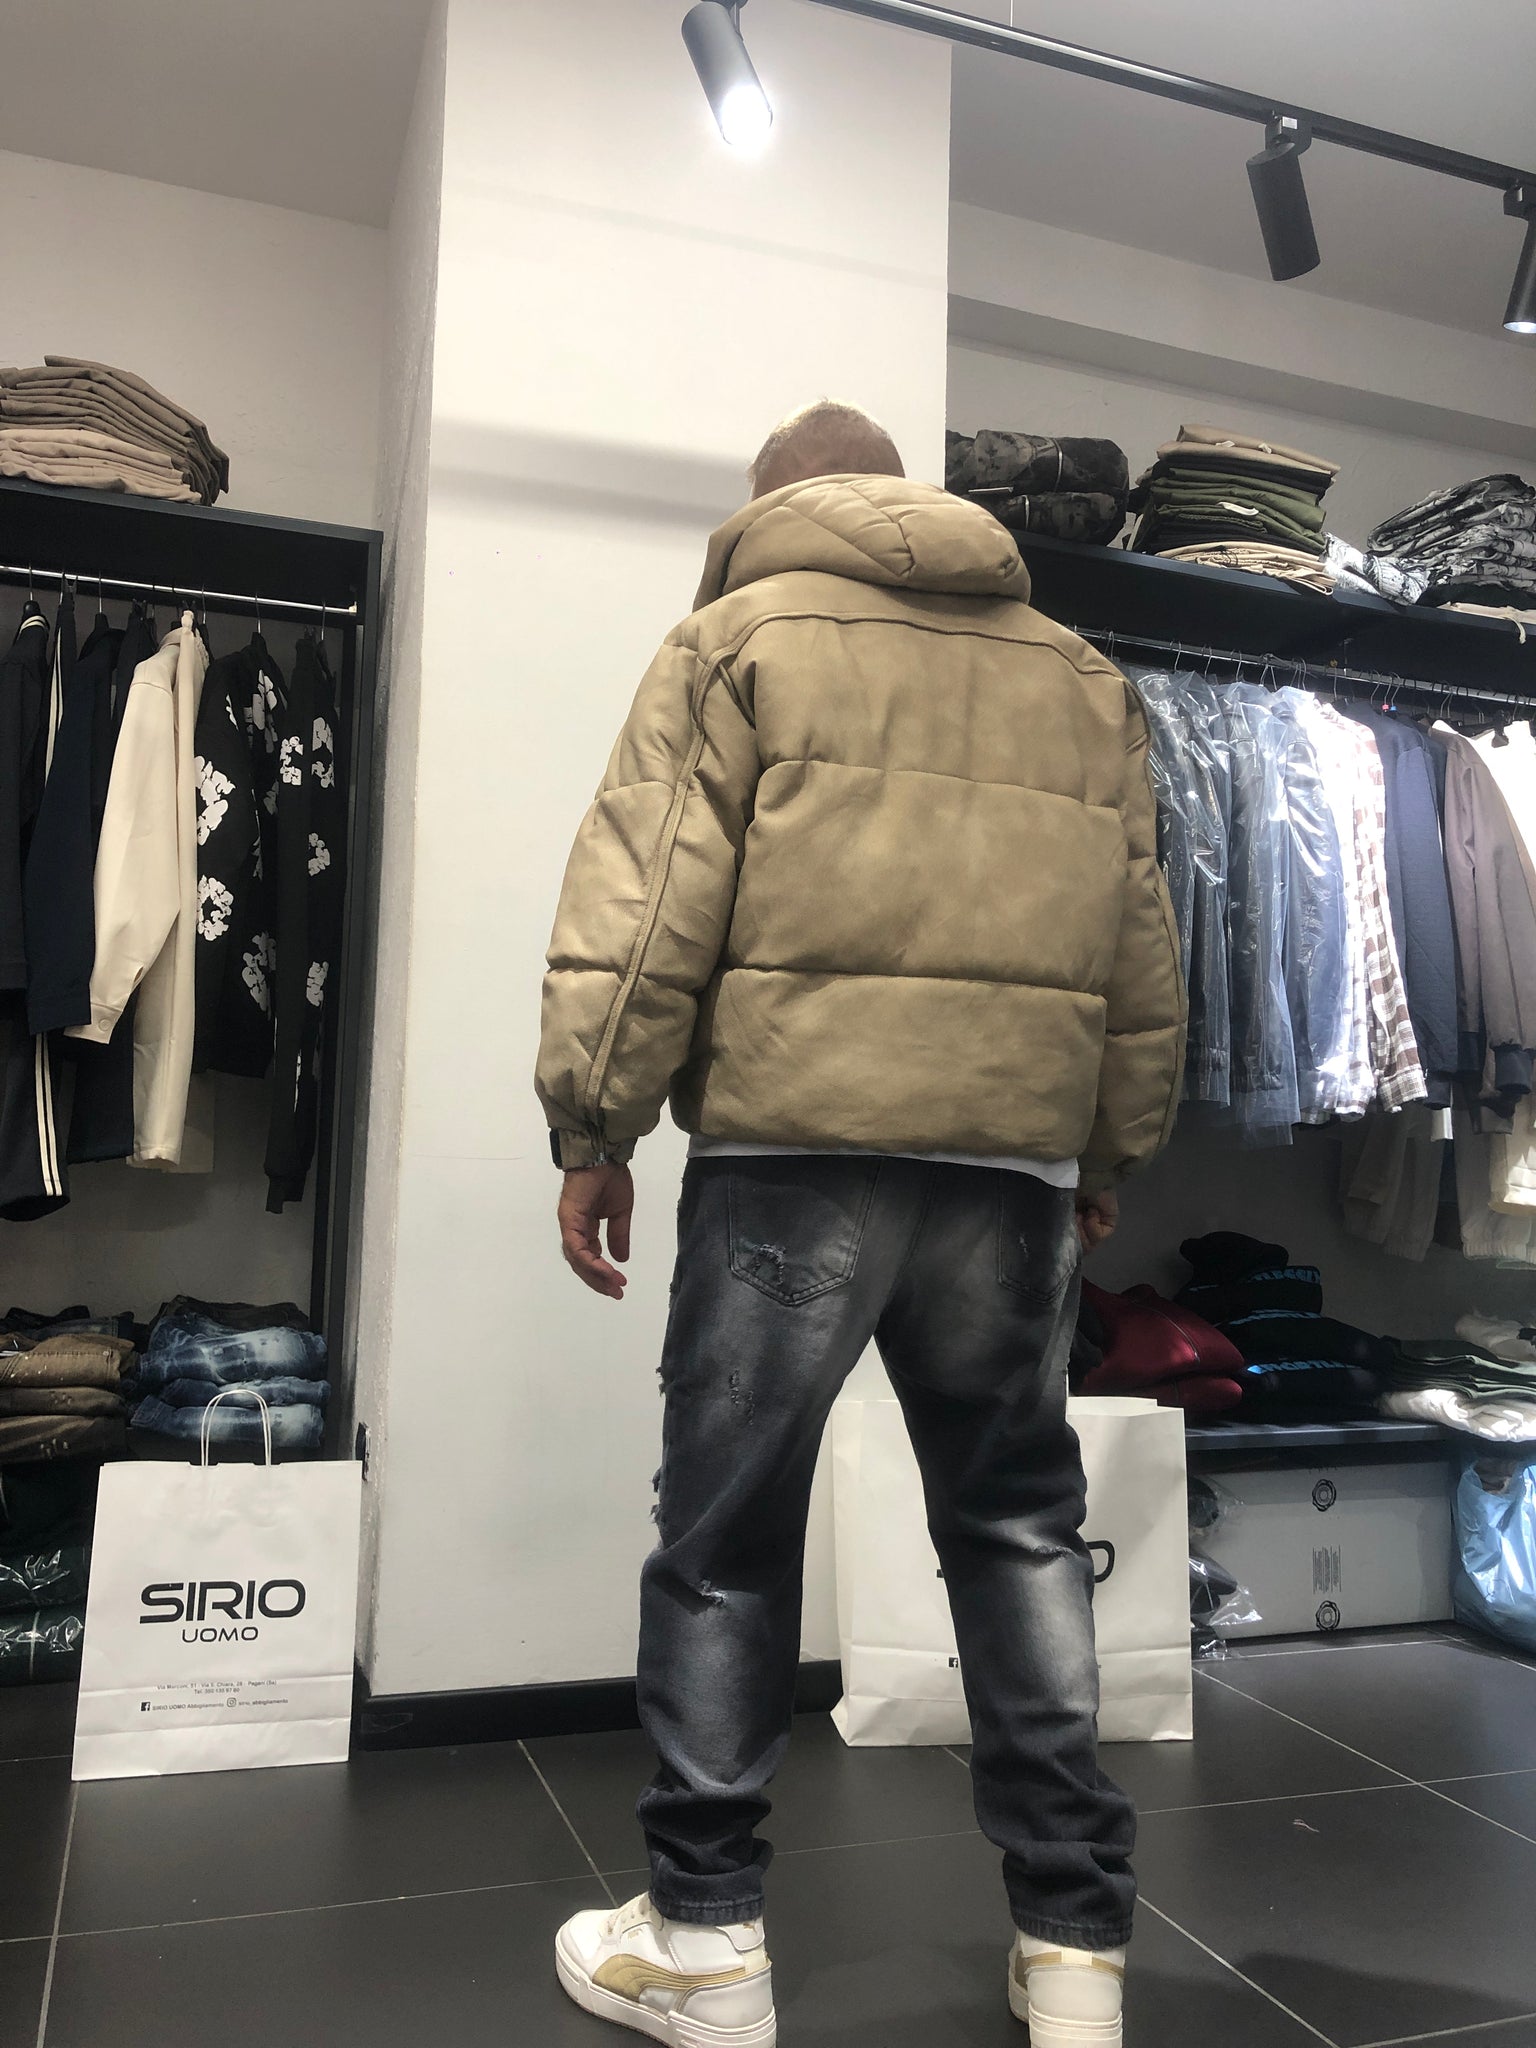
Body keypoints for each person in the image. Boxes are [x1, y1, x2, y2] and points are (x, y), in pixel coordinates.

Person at [538, 400, 1185, 2048]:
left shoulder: (738, 637)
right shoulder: (1080, 674)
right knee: (1019, 1529)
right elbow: (1139, 940)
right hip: (1012, 1166)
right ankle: (1074, 1955)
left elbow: (646, 898)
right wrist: (1108, 1143)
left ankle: (706, 1942)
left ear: (776, 506)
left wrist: (596, 1124)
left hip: (795, 1151)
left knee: (727, 1544)